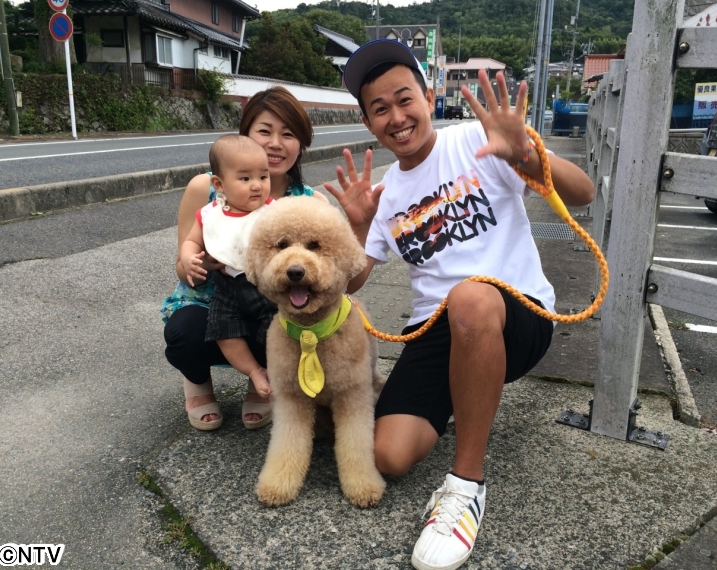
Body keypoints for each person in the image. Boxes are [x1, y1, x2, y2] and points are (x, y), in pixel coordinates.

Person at [324, 39, 594, 570]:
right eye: (380, 108)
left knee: (468, 296)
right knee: (388, 456)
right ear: (367, 121)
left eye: (405, 99)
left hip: (516, 314)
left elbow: (582, 192)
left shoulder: (476, 140)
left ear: (428, 97)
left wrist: (524, 154)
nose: (396, 117)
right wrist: (356, 227)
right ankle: (464, 391)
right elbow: (350, 283)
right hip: (437, 328)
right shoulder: (384, 195)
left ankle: (466, 485)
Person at [162, 86, 328, 431]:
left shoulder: (307, 204)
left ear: (301, 143)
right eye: (265, 131)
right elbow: (182, 265)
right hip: (212, 300)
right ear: (246, 134)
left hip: (268, 303)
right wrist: (200, 263)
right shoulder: (207, 191)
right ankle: (197, 382)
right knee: (184, 333)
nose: (275, 143)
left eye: (288, 134)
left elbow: (330, 277)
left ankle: (262, 379)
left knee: (288, 327)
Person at [180, 135, 274, 410]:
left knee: (278, 328)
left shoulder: (273, 211)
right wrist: (189, 258)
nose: (257, 185)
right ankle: (254, 372)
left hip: (264, 286)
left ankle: (276, 373)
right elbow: (191, 241)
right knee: (223, 330)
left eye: (263, 176)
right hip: (226, 287)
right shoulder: (210, 214)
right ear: (219, 185)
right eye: (245, 178)